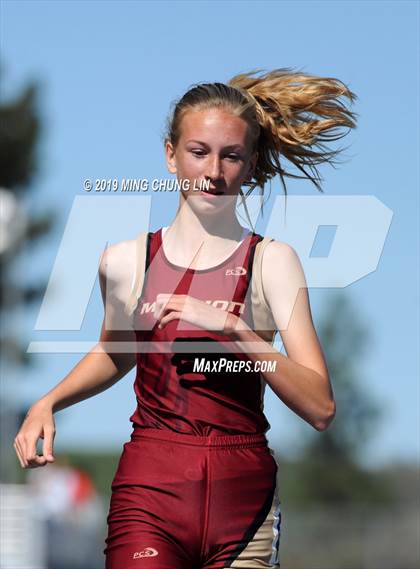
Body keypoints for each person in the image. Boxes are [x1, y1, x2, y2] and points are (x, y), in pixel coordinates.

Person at [14, 68, 357, 568]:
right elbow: (116, 351)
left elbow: (321, 407)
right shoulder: (124, 261)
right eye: (198, 152)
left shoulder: (272, 262)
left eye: (231, 155)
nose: (213, 171)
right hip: (151, 493)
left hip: (243, 504)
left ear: (251, 163)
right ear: (170, 156)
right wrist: (49, 401)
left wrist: (236, 330)